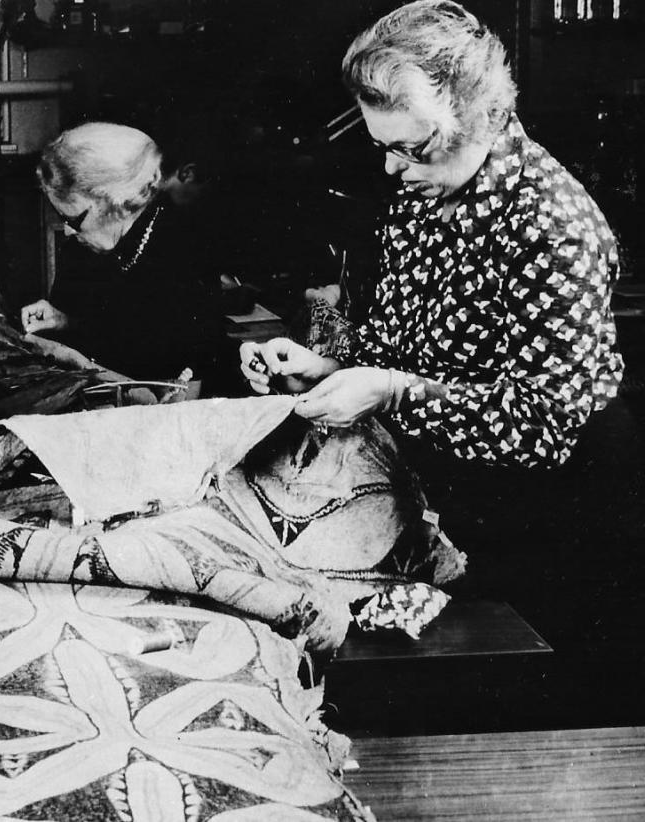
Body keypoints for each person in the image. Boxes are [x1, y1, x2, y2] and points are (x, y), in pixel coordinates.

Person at [240, 0, 643, 725]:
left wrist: (389, 391)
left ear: (482, 115)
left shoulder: (555, 227)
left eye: (411, 148)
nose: (394, 169)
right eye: (382, 148)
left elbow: (540, 427)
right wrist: (325, 368)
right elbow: (393, 345)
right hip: (456, 496)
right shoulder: (422, 196)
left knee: (528, 728)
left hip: (562, 513)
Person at [19, 121, 223, 388]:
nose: (67, 232)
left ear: (116, 202)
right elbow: (108, 332)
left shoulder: (184, 248)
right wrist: (63, 321)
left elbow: (180, 361)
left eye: (74, 218)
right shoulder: (81, 250)